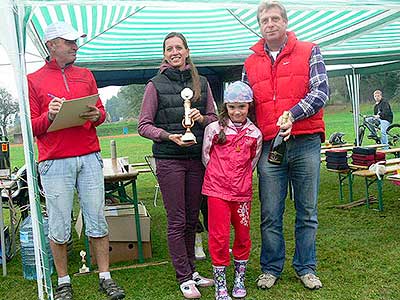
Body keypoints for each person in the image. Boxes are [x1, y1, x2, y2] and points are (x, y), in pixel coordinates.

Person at [28, 22, 125, 300]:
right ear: (51, 46)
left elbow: (101, 113)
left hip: (89, 155)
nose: (75, 46)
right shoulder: (33, 80)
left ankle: (105, 277)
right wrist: (49, 115)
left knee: (97, 218)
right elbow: (31, 126)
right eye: (68, 41)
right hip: (55, 160)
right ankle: (63, 281)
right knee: (58, 224)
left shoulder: (86, 74)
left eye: (75, 41)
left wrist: (97, 115)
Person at [243, 1, 329, 290]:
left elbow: (321, 91)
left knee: (307, 211)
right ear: (260, 25)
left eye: (275, 18)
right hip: (270, 145)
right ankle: (271, 267)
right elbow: (245, 105)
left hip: (305, 141)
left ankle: (306, 267)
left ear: (285, 21)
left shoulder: (310, 50)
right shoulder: (250, 61)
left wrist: (293, 114)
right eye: (265, 19)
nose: (270, 23)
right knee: (270, 212)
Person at [138, 32, 217, 299]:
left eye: (179, 47)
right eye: (169, 48)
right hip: (169, 158)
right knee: (177, 219)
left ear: (187, 51)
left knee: (192, 218)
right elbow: (144, 125)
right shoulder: (155, 85)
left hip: (195, 159)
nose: (174, 52)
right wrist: (167, 136)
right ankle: (183, 276)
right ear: (164, 54)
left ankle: (192, 272)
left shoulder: (202, 82)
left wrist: (202, 118)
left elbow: (215, 118)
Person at [202, 81, 262, 300]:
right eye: (232, 107)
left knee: (243, 235)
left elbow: (253, 160)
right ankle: (221, 284)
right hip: (217, 191)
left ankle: (239, 279)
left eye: (242, 107)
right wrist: (220, 176)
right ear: (225, 106)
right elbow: (206, 156)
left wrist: (238, 179)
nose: (237, 112)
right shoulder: (214, 129)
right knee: (219, 237)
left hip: (242, 193)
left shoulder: (255, 134)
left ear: (249, 106)